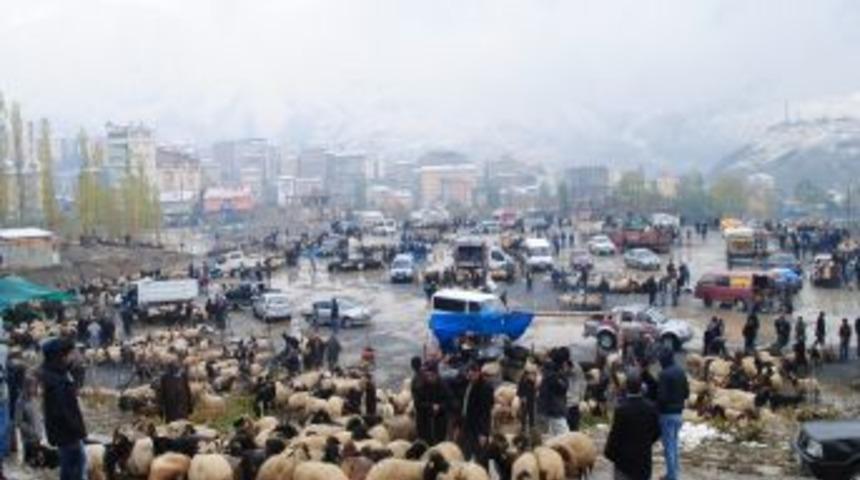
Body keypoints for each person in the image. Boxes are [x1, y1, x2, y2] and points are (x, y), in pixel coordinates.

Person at [41, 337, 87, 480]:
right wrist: (79, 430)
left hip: (64, 434)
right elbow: (63, 410)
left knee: (70, 467)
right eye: (70, 353)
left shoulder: (55, 373)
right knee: (73, 469)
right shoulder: (58, 381)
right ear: (61, 356)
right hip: (68, 435)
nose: (73, 356)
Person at [604, 370, 661, 480]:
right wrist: (646, 442)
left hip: (624, 462)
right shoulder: (651, 408)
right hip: (643, 460)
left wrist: (609, 453)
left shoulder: (621, 410)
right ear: (641, 387)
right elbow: (657, 431)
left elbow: (615, 435)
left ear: (626, 387)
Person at [657, 348, 689, 480]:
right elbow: (686, 393)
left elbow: (662, 397)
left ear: (663, 360)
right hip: (679, 414)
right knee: (674, 446)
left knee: (668, 447)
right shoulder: (681, 371)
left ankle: (672, 477)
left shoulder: (664, 374)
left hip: (667, 415)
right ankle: (672, 473)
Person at [458, 362, 493, 466]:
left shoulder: (485, 388)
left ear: (478, 373)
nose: (470, 375)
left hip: (478, 428)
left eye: (473, 373)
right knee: (465, 454)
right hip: (467, 424)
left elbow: (485, 412)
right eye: (469, 373)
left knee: (481, 457)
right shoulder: (468, 384)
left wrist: (483, 433)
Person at [412, 362, 451, 445]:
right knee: (425, 444)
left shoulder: (443, 385)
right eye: (427, 375)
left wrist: (440, 407)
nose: (429, 378)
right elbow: (417, 403)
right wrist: (430, 406)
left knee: (439, 445)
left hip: (439, 422)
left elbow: (449, 401)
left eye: (432, 375)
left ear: (436, 374)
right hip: (424, 421)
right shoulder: (420, 385)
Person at [538, 347, 570, 436]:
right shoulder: (554, 374)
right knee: (564, 436)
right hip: (555, 409)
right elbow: (563, 387)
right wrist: (563, 376)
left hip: (547, 409)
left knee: (552, 436)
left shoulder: (548, 370)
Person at [16, 374, 43, 467]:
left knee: (37, 464)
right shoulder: (20, 401)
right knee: (29, 464)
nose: (35, 388)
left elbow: (38, 416)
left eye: (35, 386)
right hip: (28, 440)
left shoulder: (35, 399)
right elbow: (18, 422)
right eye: (32, 386)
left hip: (38, 437)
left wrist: (40, 429)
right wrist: (31, 430)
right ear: (26, 387)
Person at [517, 364, 537, 436]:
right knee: (524, 414)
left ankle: (532, 427)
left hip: (531, 399)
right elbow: (519, 391)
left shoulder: (531, 381)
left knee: (531, 413)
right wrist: (522, 397)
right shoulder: (522, 380)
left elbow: (534, 390)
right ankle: (523, 428)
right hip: (524, 399)